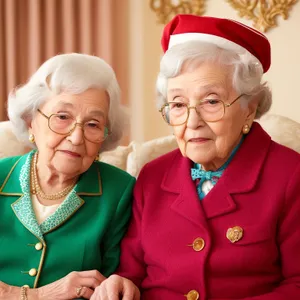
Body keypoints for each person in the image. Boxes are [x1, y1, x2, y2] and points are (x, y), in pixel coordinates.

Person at [91, 14, 300, 300]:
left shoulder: (291, 176)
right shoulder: (152, 176)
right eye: (177, 104)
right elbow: (132, 272)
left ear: (249, 108)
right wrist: (122, 284)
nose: (192, 121)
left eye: (211, 101)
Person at [0, 53, 135, 299]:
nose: (76, 138)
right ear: (31, 121)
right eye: (63, 117)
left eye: (93, 124)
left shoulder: (119, 191)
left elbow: (116, 280)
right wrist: (38, 295)